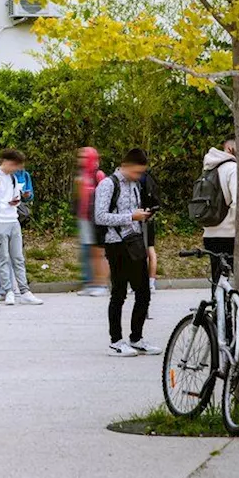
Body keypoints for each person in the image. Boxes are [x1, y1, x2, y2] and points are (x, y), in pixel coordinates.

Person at [93, 148, 158, 357]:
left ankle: (136, 337)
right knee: (119, 293)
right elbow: (100, 216)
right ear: (126, 165)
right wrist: (131, 217)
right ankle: (116, 340)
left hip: (135, 241)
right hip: (116, 243)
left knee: (143, 292)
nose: (139, 176)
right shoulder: (108, 184)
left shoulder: (135, 185)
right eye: (137, 172)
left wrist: (144, 216)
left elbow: (135, 212)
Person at [0, 149, 43, 306]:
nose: (16, 169)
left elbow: (14, 197)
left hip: (13, 220)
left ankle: (24, 291)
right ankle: (8, 291)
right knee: (3, 259)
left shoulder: (13, 179)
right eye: (15, 165)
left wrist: (15, 201)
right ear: (7, 162)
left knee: (18, 258)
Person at [202, 138, 239, 281]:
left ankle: (218, 302)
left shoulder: (209, 168)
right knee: (238, 280)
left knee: (217, 279)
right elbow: (238, 202)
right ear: (230, 148)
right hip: (230, 233)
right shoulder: (233, 169)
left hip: (210, 232)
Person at [75, 147, 110, 297]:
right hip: (85, 219)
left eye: (84, 157)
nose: (80, 160)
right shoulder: (82, 175)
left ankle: (102, 284)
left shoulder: (98, 174)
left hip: (97, 219)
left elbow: (105, 195)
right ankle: (92, 283)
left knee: (99, 253)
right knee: (90, 252)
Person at [139, 165, 162, 296]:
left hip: (141, 216)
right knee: (150, 248)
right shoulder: (151, 178)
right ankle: (151, 282)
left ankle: (144, 282)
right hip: (150, 215)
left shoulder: (140, 178)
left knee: (143, 250)